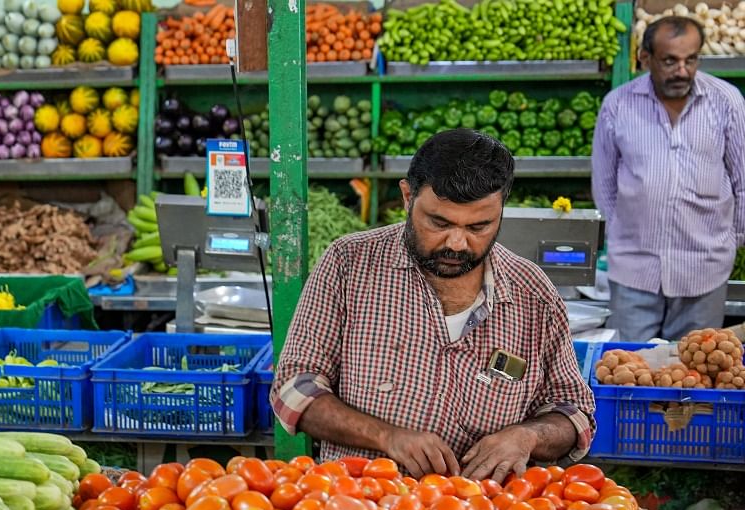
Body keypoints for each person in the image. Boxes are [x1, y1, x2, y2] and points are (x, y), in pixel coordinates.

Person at [271, 129, 595, 481]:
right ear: (408, 197)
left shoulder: (533, 297)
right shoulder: (349, 264)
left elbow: (574, 413)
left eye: (480, 226)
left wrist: (527, 436)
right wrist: (387, 437)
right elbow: (294, 389)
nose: (456, 243)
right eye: (438, 223)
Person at [592, 16, 745, 342]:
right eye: (670, 61)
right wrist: (621, 235)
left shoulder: (726, 102)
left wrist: (732, 242)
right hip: (635, 270)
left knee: (692, 376)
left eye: (690, 60)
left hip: (704, 270)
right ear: (645, 58)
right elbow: (604, 184)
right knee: (628, 372)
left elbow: (743, 180)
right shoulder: (618, 105)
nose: (682, 71)